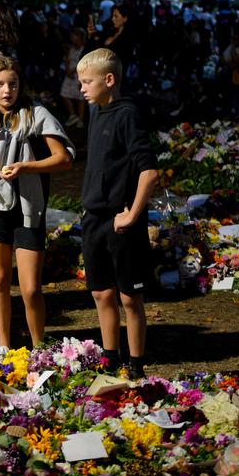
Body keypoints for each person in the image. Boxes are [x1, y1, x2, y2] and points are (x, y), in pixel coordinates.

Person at [0, 56, 74, 350]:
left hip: (29, 208)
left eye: (12, 84)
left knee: (30, 288)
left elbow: (63, 159)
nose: (6, 90)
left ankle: (39, 348)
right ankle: (4, 347)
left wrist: (27, 167)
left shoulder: (37, 114)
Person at [78, 48, 158, 379]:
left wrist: (132, 214)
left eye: (87, 82)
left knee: (129, 296)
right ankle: (110, 357)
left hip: (120, 220)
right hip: (93, 217)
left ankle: (136, 365)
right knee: (101, 292)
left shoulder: (128, 114)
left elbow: (149, 171)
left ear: (109, 80)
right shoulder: (96, 111)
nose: (82, 88)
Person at [61, 27, 87, 128]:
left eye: (74, 36)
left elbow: (82, 62)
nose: (71, 37)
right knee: (64, 93)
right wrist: (68, 70)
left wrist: (72, 71)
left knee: (80, 98)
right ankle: (73, 115)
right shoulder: (71, 47)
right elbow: (67, 59)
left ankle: (80, 119)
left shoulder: (83, 49)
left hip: (79, 75)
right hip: (69, 75)